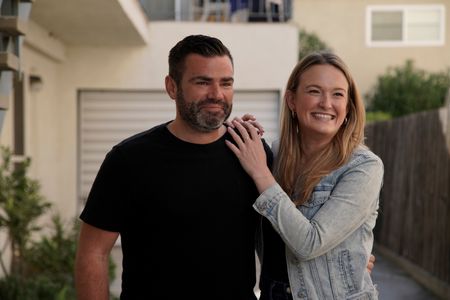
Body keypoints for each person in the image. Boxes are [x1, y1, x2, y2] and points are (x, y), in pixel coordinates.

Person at [74, 34, 273, 300]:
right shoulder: (129, 160)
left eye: (226, 83)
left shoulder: (253, 153)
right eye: (202, 82)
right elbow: (93, 253)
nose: (217, 94)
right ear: (172, 87)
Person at [226, 52, 384, 300]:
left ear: (348, 106)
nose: (326, 103)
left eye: (338, 94)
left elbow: (310, 243)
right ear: (291, 100)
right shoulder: (273, 156)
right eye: (314, 91)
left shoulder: (364, 167)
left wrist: (260, 171)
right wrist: (238, 134)